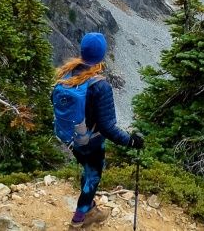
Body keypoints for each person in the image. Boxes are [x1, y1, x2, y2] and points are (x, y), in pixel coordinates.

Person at [55, 32, 144, 227]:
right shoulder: (99, 85)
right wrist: (130, 140)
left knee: (87, 171)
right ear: (101, 55)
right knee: (93, 175)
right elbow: (107, 127)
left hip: (70, 137)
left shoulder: (66, 73)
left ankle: (89, 206)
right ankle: (79, 218)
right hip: (91, 140)